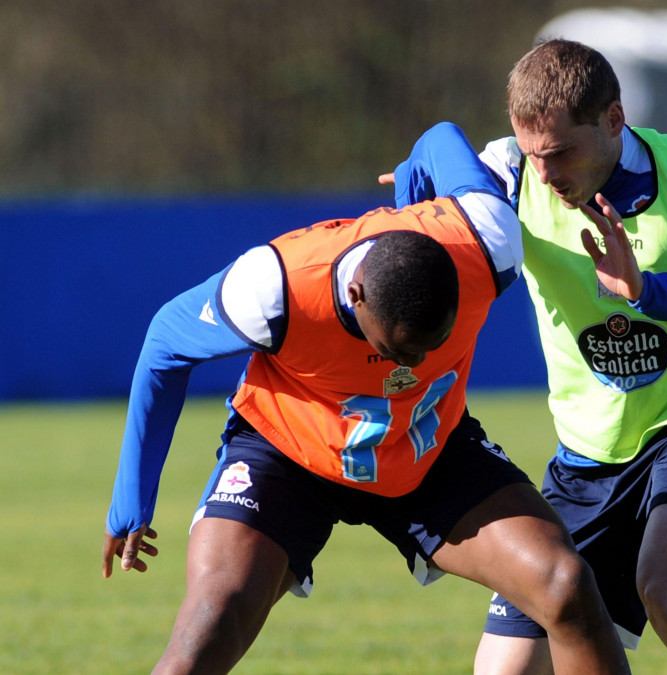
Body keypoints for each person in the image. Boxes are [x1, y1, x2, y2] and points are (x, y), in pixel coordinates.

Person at [100, 121, 631, 675]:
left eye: (430, 348)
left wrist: (414, 176)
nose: (409, 367)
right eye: (397, 350)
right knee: (208, 628)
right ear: (354, 296)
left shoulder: (487, 239)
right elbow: (165, 341)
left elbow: (442, 135)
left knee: (565, 585)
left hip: (427, 445)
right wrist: (131, 499)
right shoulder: (276, 287)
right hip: (291, 454)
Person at [469, 39, 667, 675]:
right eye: (534, 154)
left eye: (560, 151)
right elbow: (439, 147)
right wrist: (429, 165)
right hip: (582, 458)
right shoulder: (508, 170)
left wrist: (648, 291)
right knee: (504, 669)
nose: (545, 173)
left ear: (614, 121)